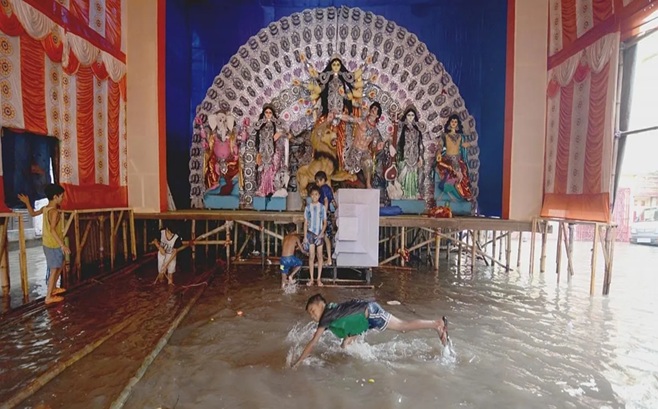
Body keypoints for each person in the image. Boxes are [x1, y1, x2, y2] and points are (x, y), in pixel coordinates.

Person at [291, 294, 449, 368]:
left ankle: (437, 324)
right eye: (310, 314)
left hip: (371, 313)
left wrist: (298, 362)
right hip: (364, 318)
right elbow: (347, 319)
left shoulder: (326, 316)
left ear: (321, 306)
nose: (312, 316)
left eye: (313, 311)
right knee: (344, 346)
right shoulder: (331, 311)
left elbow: (313, 342)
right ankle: (349, 363)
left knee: (403, 327)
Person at [40, 184, 70, 304]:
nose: (62, 198)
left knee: (60, 264)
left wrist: (27, 203)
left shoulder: (45, 208)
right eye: (61, 196)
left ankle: (53, 288)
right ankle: (48, 297)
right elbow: (52, 230)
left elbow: (32, 214)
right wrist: (62, 245)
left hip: (47, 243)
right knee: (54, 270)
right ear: (55, 197)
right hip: (53, 244)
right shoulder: (54, 212)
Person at [252, 104, 288, 197]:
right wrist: (263, 120)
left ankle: (272, 189)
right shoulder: (261, 124)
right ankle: (263, 189)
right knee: (263, 170)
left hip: (274, 150)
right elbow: (254, 128)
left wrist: (279, 133)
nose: (268, 114)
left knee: (272, 170)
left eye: (270, 112)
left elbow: (285, 130)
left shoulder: (276, 123)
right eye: (266, 112)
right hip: (263, 150)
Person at [436, 114, 472, 201]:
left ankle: (464, 194)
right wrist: (438, 153)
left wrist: (467, 144)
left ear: (457, 124)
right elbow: (440, 146)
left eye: (455, 122)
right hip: (447, 159)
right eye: (452, 121)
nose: (453, 123)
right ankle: (453, 189)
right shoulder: (445, 135)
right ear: (449, 123)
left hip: (458, 160)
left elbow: (463, 145)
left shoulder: (460, 136)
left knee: (463, 173)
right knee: (450, 169)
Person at [394, 105, 425, 199]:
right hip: (404, 156)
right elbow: (396, 141)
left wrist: (420, 157)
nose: (410, 117)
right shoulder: (401, 128)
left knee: (414, 177)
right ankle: (403, 195)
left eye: (412, 115)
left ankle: (413, 195)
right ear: (405, 116)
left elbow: (420, 144)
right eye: (408, 115)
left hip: (415, 156)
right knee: (403, 177)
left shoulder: (417, 130)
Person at [303, 185, 327, 286]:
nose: (314, 196)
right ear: (310, 196)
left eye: (316, 194)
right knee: (311, 256)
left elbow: (325, 223)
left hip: (319, 234)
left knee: (320, 256)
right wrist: (305, 237)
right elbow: (305, 223)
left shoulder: (322, 207)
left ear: (319, 195)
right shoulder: (308, 208)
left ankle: (318, 279)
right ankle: (311, 279)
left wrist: (321, 234)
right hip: (310, 234)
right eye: (312, 195)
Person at [314, 171, 336, 266]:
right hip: (330, 214)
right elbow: (333, 202)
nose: (317, 184)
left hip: (325, 215)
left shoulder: (323, 189)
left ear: (322, 180)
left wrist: (324, 215)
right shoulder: (329, 188)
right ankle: (328, 258)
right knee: (327, 238)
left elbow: (326, 201)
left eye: (318, 181)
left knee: (323, 237)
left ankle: (325, 259)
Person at [279, 223, 306, 288]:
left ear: (287, 231)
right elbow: (302, 250)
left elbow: (285, 248)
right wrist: (307, 253)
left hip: (282, 261)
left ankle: (283, 285)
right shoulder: (295, 238)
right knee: (300, 263)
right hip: (290, 259)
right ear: (295, 231)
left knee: (283, 278)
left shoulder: (285, 238)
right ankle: (291, 275)